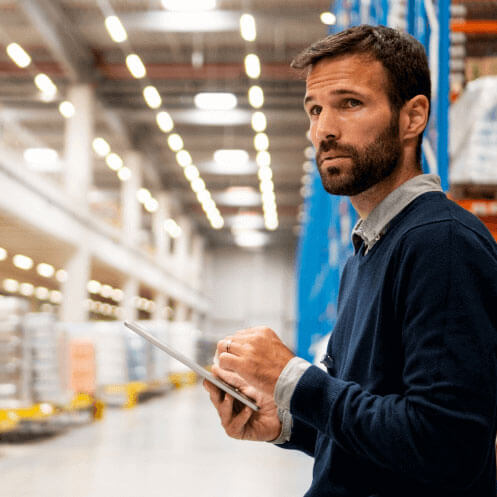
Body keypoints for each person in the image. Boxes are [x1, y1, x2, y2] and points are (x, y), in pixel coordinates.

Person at [203, 24, 497, 496]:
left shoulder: (440, 243)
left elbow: (445, 447)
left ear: (412, 117)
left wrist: (293, 379)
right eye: (315, 110)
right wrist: (285, 425)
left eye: (349, 104)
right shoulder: (366, 253)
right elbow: (379, 436)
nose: (324, 130)